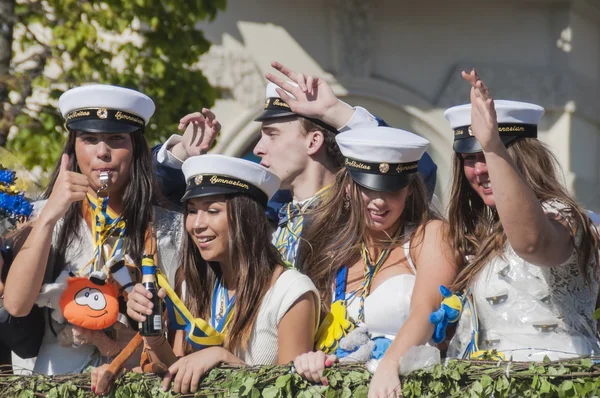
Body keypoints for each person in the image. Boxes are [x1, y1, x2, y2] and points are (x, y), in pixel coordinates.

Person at [153, 61, 438, 267]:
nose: (257, 148)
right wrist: (181, 154)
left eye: (272, 134)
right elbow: (157, 200)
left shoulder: (355, 211)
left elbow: (415, 170)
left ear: (313, 142)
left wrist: (336, 113)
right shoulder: (267, 213)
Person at [3, 84, 183, 375]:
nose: (103, 152)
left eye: (116, 139)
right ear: (72, 147)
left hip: (137, 380)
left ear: (136, 148)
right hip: (54, 385)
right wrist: (49, 216)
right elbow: (16, 305)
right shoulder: (41, 215)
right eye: (89, 139)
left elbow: (180, 332)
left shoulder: (169, 227)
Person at [122, 155, 319, 395]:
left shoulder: (290, 291)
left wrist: (223, 358)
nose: (197, 224)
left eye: (212, 211)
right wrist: (152, 335)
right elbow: (178, 373)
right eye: (192, 211)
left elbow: (292, 391)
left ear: (246, 217)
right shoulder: (189, 283)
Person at [444, 69, 600, 361]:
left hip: (554, 381)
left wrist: (493, 146)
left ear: (524, 158)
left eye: (487, 157)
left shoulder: (561, 215)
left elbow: (531, 242)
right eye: (469, 159)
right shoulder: (481, 233)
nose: (479, 170)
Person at [293, 126, 457, 398]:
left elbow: (426, 309)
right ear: (347, 187)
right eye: (368, 188)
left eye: (392, 190)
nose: (379, 201)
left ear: (410, 191)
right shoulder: (329, 252)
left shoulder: (431, 235)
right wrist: (312, 360)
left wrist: (390, 364)